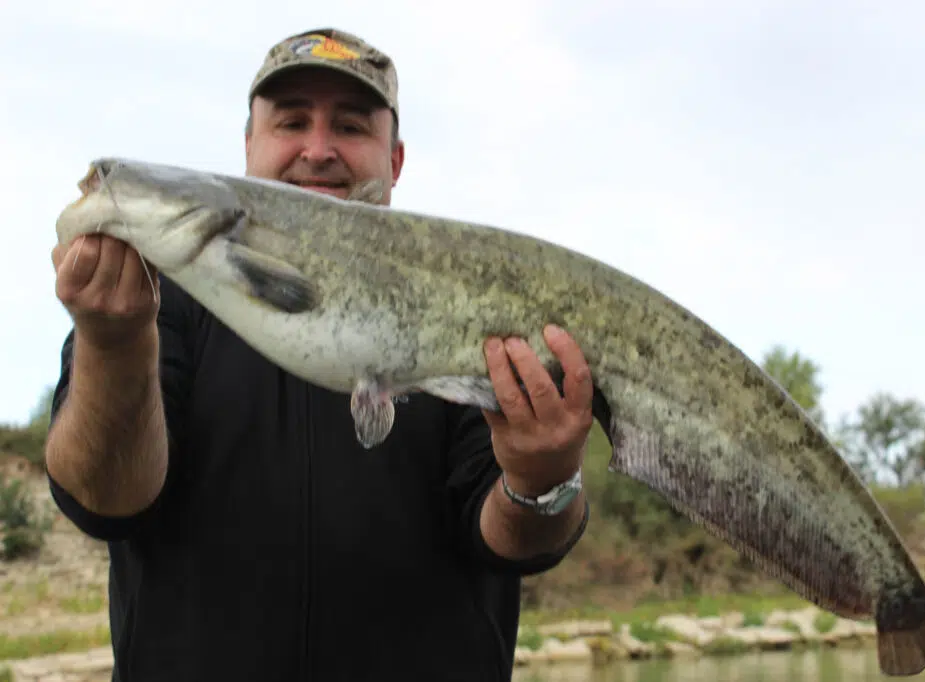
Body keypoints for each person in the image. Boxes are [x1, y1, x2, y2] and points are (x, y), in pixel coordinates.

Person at [44, 27, 593, 682]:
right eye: (291, 121)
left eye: (352, 126)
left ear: (394, 161)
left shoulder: (476, 305)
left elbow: (518, 541)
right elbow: (107, 499)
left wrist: (545, 479)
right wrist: (114, 342)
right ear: (248, 148)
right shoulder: (163, 301)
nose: (319, 148)